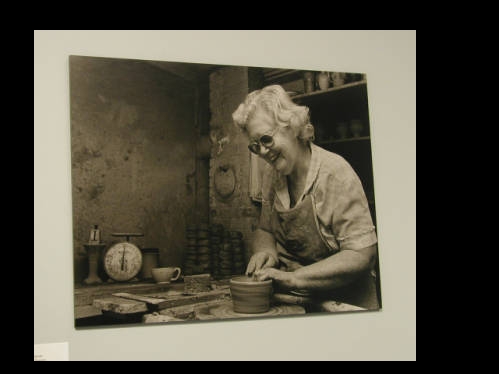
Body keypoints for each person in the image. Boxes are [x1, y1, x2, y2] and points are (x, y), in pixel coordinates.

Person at [232, 84, 379, 310]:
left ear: (291, 127)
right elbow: (265, 230)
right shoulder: (272, 175)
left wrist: (295, 277)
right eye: (254, 146)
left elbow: (361, 254)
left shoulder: (335, 173)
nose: (262, 152)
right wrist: (265, 251)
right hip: (300, 299)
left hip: (347, 302)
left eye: (266, 140)